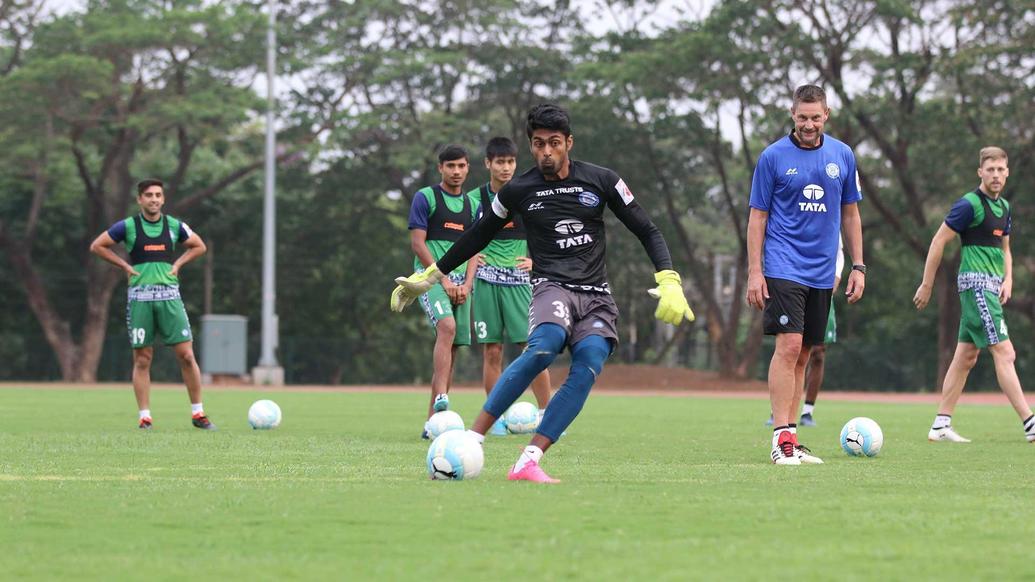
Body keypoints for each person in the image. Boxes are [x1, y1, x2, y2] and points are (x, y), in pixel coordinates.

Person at [391, 103, 694, 483]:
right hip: (552, 287)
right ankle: (472, 438)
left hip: (597, 294)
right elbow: (477, 235)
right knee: (544, 345)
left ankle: (529, 460)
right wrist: (433, 275)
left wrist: (669, 279)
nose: (546, 152)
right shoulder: (519, 190)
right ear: (531, 146)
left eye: (554, 143)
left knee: (589, 364)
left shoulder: (602, 180)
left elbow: (647, 229)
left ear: (569, 142)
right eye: (538, 144)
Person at [746, 84, 866, 465]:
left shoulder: (842, 155)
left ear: (826, 115)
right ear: (792, 115)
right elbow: (757, 218)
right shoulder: (772, 157)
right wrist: (755, 271)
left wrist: (858, 266)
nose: (809, 124)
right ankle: (780, 440)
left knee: (806, 353)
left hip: (821, 270)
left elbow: (851, 214)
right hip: (783, 264)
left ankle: (792, 439)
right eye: (802, 117)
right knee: (790, 347)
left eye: (816, 117)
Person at [913, 147, 1035, 443]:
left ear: (1007, 173)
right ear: (980, 172)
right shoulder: (970, 204)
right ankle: (1031, 424)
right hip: (976, 286)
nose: (995, 175)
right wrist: (927, 284)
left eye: (1000, 170)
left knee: (966, 356)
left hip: (993, 288)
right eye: (990, 169)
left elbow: (1006, 250)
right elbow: (938, 240)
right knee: (1006, 353)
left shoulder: (1004, 207)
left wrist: (1009, 279)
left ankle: (941, 425)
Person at [89, 179, 215, 430]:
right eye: (148, 195)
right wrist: (124, 266)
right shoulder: (128, 226)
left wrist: (177, 265)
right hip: (140, 300)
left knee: (187, 356)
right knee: (143, 359)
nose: (154, 199)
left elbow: (199, 246)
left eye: (158, 195)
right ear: (140, 200)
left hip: (170, 298)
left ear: (163, 199)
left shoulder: (173, 226)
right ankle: (145, 417)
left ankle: (198, 414)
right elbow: (97, 245)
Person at [468, 137, 552, 436]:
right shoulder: (475, 199)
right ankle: (497, 419)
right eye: (500, 162)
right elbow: (464, 242)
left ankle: (548, 415)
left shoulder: (526, 195)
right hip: (487, 282)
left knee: (534, 348)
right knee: (492, 351)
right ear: (488, 163)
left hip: (519, 284)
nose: (506, 168)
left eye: (510, 162)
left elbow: (546, 233)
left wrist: (536, 263)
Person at [406, 145, 480, 438]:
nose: (457, 171)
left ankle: (431, 424)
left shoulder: (474, 206)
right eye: (451, 166)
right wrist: (444, 279)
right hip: (431, 279)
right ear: (441, 168)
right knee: (446, 328)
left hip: (462, 283)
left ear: (468, 168)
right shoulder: (426, 198)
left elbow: (476, 247)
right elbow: (418, 245)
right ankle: (441, 400)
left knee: (453, 349)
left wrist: (468, 284)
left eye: (462, 166)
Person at [765, 236, 844, 427]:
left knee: (816, 353)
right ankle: (780, 416)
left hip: (821, 285)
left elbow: (838, 252)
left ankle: (807, 411)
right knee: (790, 346)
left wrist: (837, 278)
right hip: (791, 280)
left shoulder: (831, 216)